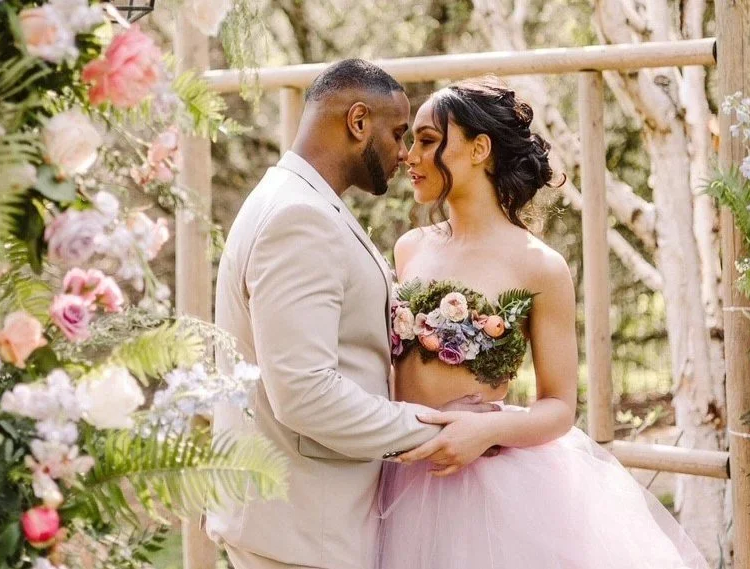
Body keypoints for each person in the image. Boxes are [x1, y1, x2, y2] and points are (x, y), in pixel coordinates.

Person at [376, 76, 709, 569]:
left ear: (479, 149)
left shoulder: (541, 266)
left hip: (486, 485)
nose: (410, 156)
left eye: (428, 141)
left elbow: (558, 407)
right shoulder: (410, 248)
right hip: (402, 473)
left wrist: (485, 431)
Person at [206, 59, 496, 569]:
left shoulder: (299, 202)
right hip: (301, 529)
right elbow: (305, 394)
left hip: (304, 520)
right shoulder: (299, 218)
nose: (404, 153)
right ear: (358, 121)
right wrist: (441, 429)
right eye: (398, 133)